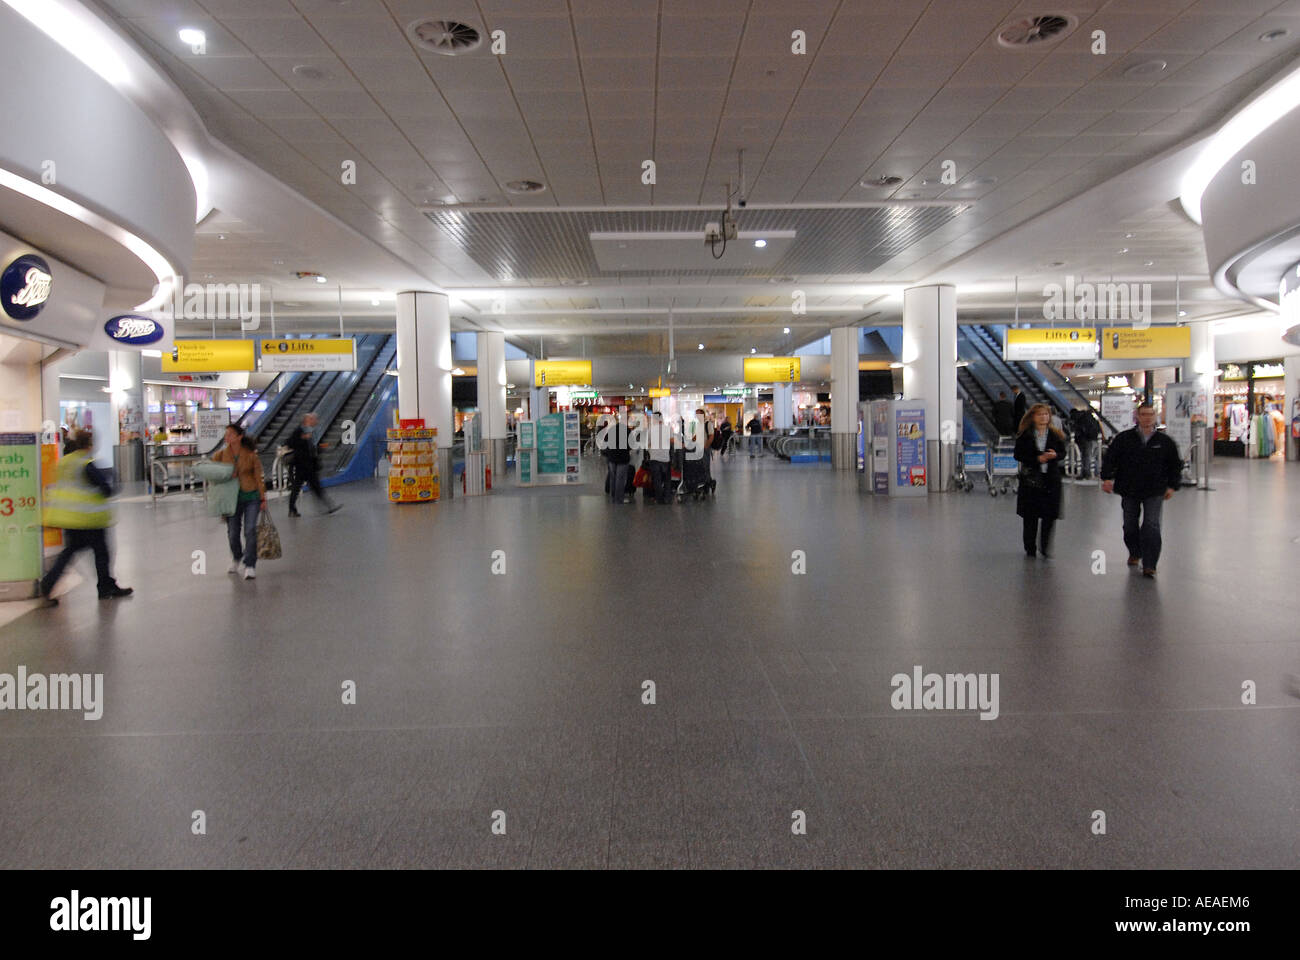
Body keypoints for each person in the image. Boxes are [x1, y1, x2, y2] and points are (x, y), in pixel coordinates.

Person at [39, 430, 133, 605]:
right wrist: (113, 484)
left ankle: (48, 584)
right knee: (102, 553)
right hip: (88, 519)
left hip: (69, 518)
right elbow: (105, 489)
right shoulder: (86, 463)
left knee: (69, 552)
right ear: (89, 445)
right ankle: (106, 587)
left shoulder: (64, 462)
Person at [1100, 402, 1181, 578]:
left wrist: (1172, 486)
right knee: (1129, 525)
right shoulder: (1124, 439)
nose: (1147, 417)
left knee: (1152, 525)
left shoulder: (1165, 442)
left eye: (1150, 414)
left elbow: (1175, 465)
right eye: (1143, 414)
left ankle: (1150, 564)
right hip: (1129, 489)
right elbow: (1110, 459)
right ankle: (1135, 551)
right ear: (1137, 416)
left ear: (1155, 416)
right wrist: (1106, 478)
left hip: (1155, 490)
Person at [213, 424, 267, 580]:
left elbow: (259, 477)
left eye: (230, 434)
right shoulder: (220, 455)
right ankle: (237, 557)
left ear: (239, 437)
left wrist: (263, 497)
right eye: (226, 434)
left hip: (251, 496)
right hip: (231, 499)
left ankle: (250, 564)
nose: (227, 437)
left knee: (250, 529)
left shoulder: (251, 455)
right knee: (233, 532)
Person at [1013, 404, 1065, 558]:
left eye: (1046, 414)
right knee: (1031, 516)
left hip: (1051, 480)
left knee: (1049, 515)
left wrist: (1055, 455)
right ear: (1033, 417)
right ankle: (1030, 547)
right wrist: (1037, 459)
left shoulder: (1056, 435)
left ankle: (1045, 546)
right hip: (1031, 481)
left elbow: (1063, 452)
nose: (1043, 417)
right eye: (1040, 414)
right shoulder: (1025, 435)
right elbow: (1018, 454)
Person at [285, 412, 340, 517]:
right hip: (302, 465)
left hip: (310, 465)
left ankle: (328, 506)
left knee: (315, 487)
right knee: (297, 488)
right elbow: (290, 443)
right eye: (313, 419)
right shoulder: (299, 431)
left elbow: (311, 448)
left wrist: (320, 448)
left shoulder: (312, 432)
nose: (315, 421)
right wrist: (302, 439)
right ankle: (292, 508)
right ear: (307, 420)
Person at [1069, 406, 1102, 479]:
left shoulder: (1076, 418)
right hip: (1091, 438)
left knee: (1080, 456)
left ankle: (1082, 473)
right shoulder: (1086, 416)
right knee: (1088, 456)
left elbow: (1076, 429)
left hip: (1082, 439)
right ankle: (1090, 473)